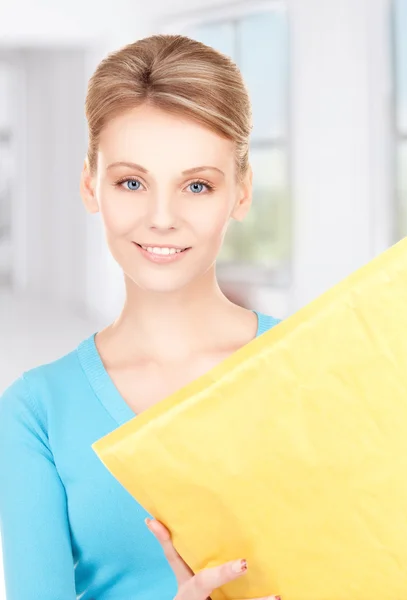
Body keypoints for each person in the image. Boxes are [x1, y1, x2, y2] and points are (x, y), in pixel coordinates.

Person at [0, 34, 282, 600]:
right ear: (90, 186)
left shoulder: (313, 371)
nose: (161, 218)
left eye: (197, 185)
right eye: (132, 182)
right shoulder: (36, 413)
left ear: (242, 192)